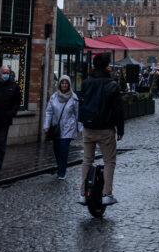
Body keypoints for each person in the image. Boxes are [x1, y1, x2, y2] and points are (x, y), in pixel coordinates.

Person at [78, 53, 124, 206]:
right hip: (105, 128)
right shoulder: (111, 84)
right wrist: (120, 129)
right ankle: (106, 194)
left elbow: (81, 103)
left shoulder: (85, 83)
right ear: (106, 66)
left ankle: (83, 194)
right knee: (109, 161)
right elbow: (118, 109)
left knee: (87, 160)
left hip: (89, 127)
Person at [44, 75, 82, 179]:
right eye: (62, 83)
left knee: (63, 148)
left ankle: (62, 171)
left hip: (69, 127)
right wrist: (46, 125)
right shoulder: (54, 97)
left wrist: (80, 128)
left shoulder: (73, 97)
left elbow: (77, 113)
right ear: (59, 84)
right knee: (56, 149)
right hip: (57, 127)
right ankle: (60, 165)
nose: (64, 85)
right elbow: (49, 112)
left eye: (66, 83)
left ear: (69, 85)